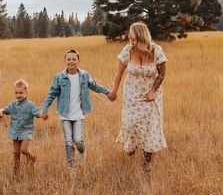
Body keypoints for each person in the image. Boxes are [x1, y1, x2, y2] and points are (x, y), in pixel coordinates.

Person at [108, 21, 168, 173]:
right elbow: (119, 73)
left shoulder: (156, 51)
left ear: (142, 37)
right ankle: (132, 145)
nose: (131, 42)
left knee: (150, 126)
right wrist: (114, 92)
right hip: (132, 93)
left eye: (133, 39)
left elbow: (161, 74)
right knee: (130, 123)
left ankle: (147, 161)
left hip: (152, 93)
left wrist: (153, 91)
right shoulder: (127, 50)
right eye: (130, 39)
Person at [42, 48, 111, 168]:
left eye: (74, 59)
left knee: (78, 140)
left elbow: (94, 86)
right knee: (68, 142)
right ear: (65, 61)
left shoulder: (84, 75)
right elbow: (51, 94)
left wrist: (108, 92)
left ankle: (82, 152)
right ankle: (71, 168)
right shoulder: (59, 77)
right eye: (68, 59)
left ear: (79, 61)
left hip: (78, 114)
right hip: (65, 114)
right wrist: (45, 109)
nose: (71, 61)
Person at [0, 78, 46, 176]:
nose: (18, 95)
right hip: (15, 131)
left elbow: (37, 113)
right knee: (16, 153)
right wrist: (0, 112)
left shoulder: (30, 105)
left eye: (21, 93)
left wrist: (42, 115)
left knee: (23, 150)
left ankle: (31, 157)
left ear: (26, 92)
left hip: (26, 131)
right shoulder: (13, 104)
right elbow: (5, 109)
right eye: (16, 93)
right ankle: (16, 172)